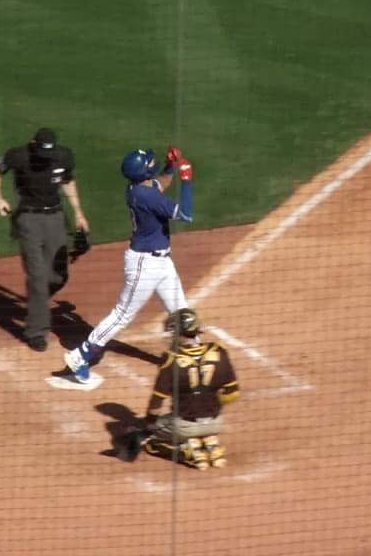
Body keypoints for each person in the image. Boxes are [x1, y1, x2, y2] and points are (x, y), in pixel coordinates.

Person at [62, 145, 193, 382]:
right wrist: (186, 180)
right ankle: (79, 355)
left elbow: (161, 183)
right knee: (122, 314)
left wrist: (170, 166)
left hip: (162, 263)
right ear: (143, 173)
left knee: (181, 310)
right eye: (150, 163)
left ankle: (191, 357)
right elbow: (185, 214)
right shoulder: (146, 196)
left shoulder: (138, 189)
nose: (152, 165)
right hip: (144, 265)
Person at [0, 128, 90, 352]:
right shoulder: (18, 156)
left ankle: (38, 298)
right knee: (37, 277)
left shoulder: (64, 156)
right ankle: (36, 331)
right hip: (28, 219)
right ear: (33, 144)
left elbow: (68, 181)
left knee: (58, 274)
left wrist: (78, 212)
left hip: (55, 217)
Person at [139, 308, 240, 470]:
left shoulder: (171, 358)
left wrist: (149, 423)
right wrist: (211, 405)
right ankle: (207, 441)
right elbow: (233, 393)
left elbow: (157, 402)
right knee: (199, 420)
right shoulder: (219, 351)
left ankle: (185, 451)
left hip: (184, 426)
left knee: (148, 441)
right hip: (215, 423)